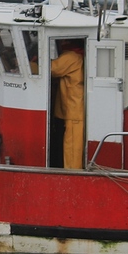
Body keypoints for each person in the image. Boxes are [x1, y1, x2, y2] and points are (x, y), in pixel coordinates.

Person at [51, 40, 85, 169]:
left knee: (71, 149)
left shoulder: (71, 57)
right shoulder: (80, 56)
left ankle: (72, 174)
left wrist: (30, 64)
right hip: (71, 110)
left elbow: (51, 69)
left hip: (73, 111)